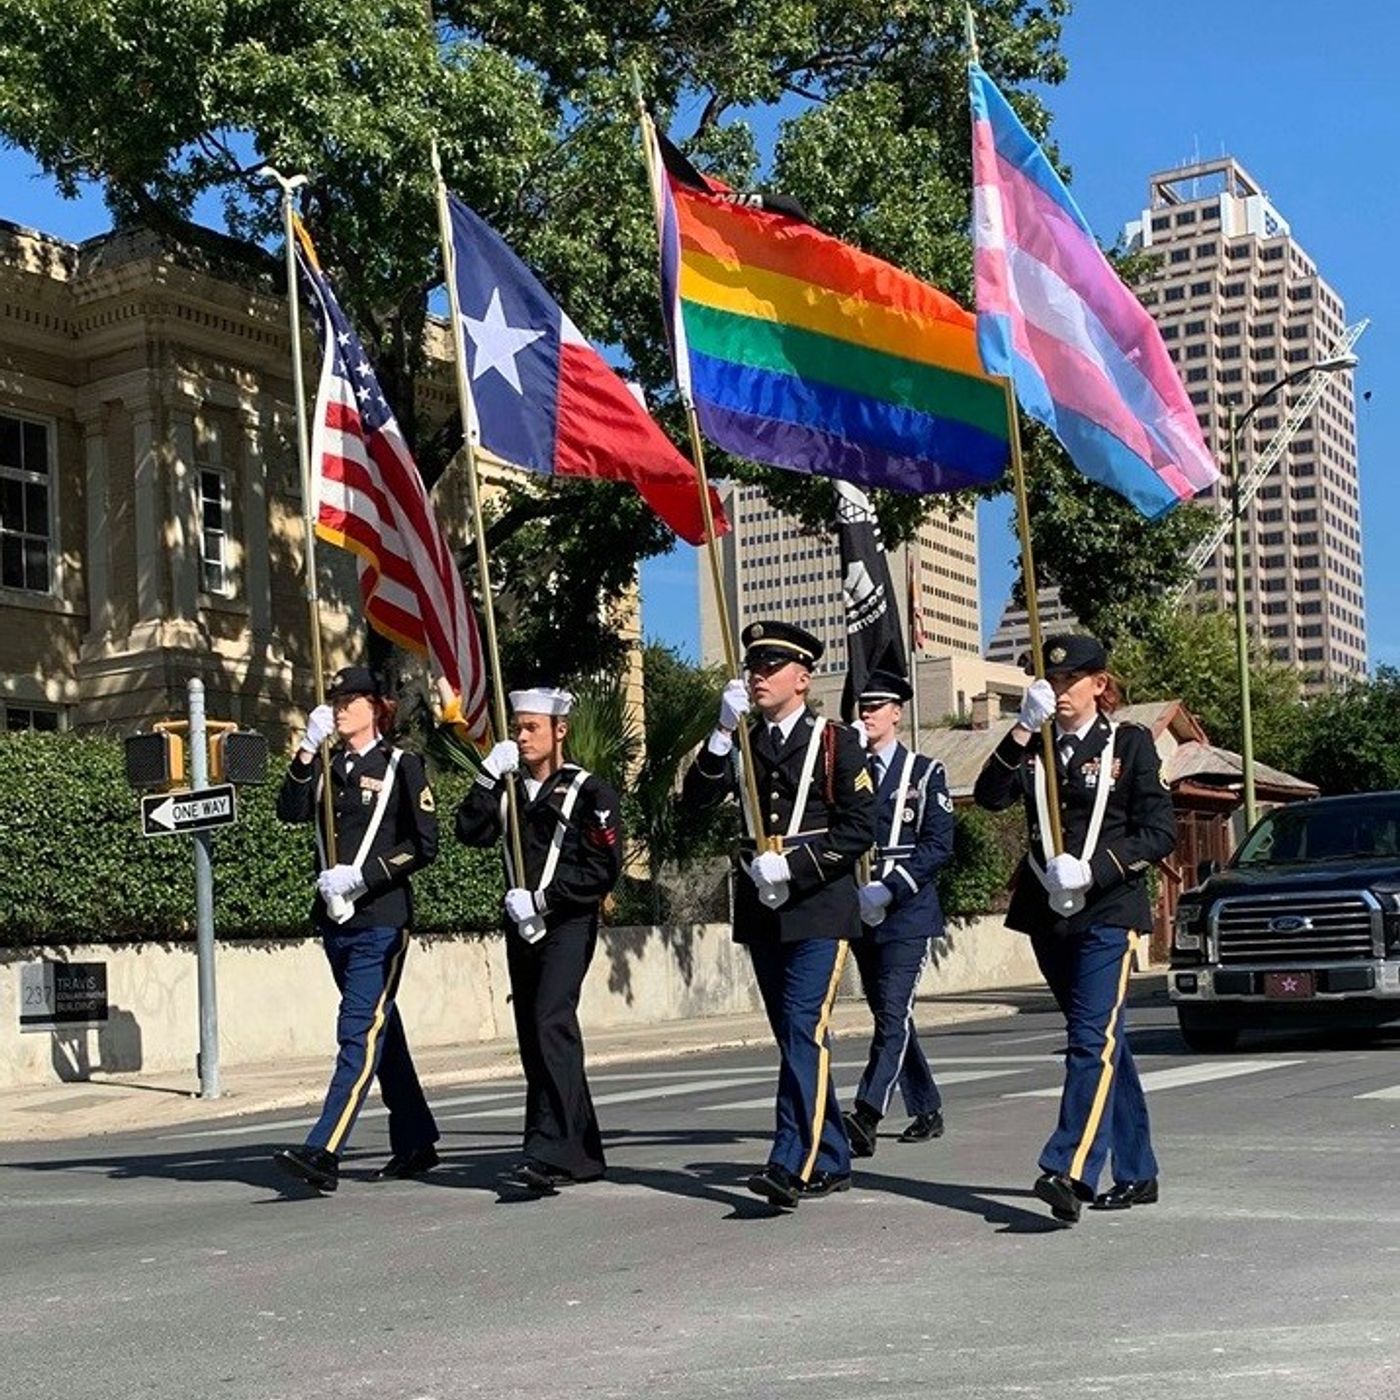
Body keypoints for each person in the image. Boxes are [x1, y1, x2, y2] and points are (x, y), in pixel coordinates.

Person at [973, 634, 1176, 1224]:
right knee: (1106, 1042)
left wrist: (1096, 868)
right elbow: (988, 797)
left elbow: (1159, 831)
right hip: (1048, 912)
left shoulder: (1128, 744)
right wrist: (1020, 729)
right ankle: (1137, 1170)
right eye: (1051, 681)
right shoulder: (1034, 745)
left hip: (1107, 908)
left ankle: (1071, 1168)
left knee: (1090, 1041)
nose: (1059, 690)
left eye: (1070, 680)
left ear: (1099, 684)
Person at [681, 621, 876, 1209]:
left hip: (819, 907)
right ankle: (832, 1156)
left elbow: (859, 828)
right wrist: (720, 732)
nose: (758, 676)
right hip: (763, 910)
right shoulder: (742, 741)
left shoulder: (836, 742)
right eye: (753, 667)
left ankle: (792, 1160)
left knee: (801, 1028)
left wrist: (795, 866)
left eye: (771, 668)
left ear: (803, 678)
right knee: (793, 1036)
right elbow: (695, 804)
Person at [272, 666, 441, 1194]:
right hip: (337, 921)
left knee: (356, 1029)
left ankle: (324, 1149)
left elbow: (424, 844)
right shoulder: (327, 767)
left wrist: (365, 876)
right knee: (379, 1030)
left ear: (377, 707)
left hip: (381, 920)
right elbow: (289, 812)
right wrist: (306, 750)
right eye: (335, 700)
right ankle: (415, 1139)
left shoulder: (400, 765)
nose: (340, 708)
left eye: (350, 699)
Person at [454, 687, 622, 1195]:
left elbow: (602, 869)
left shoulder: (590, 791)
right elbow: (470, 832)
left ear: (559, 730)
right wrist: (486, 777)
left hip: (567, 921)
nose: (522, 737)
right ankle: (581, 1152)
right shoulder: (508, 788)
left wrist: (545, 899)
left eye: (532, 728)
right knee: (535, 1034)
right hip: (519, 924)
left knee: (552, 1021)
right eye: (518, 728)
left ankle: (545, 1151)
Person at [842, 670, 955, 1159]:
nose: (867, 715)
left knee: (892, 1013)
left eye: (876, 707)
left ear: (896, 713)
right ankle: (926, 1107)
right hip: (860, 909)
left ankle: (867, 1113)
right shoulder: (850, 771)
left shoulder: (924, 773)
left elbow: (937, 845)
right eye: (862, 707)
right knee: (891, 1015)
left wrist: (890, 889)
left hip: (907, 911)